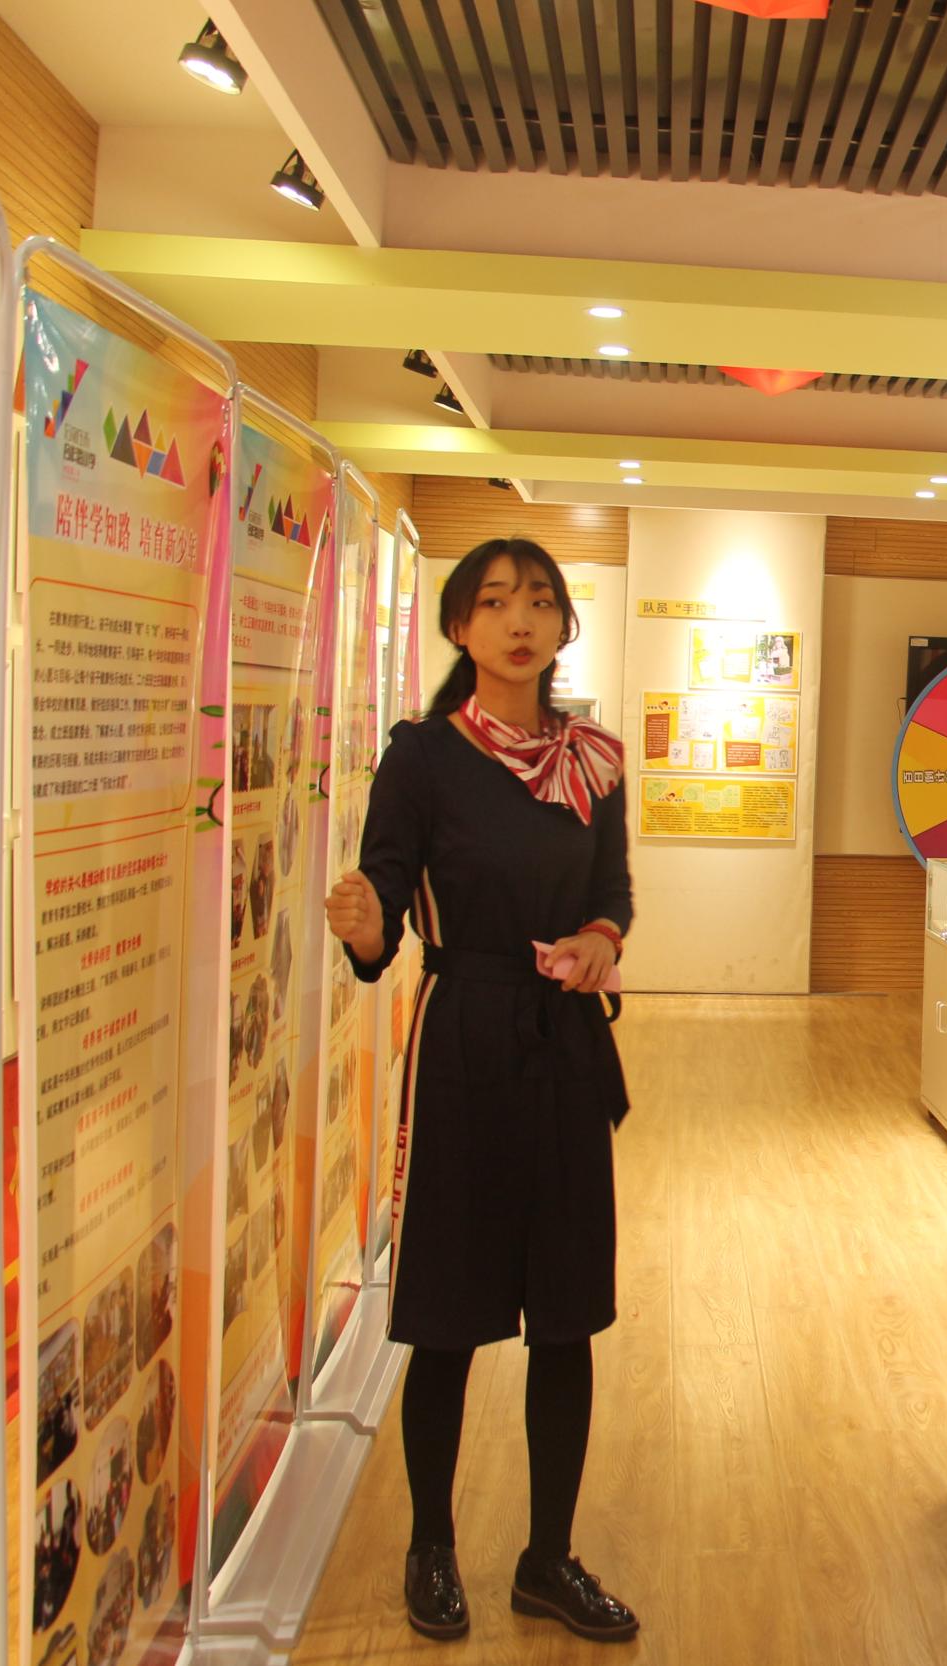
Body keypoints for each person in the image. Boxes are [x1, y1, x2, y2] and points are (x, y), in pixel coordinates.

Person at [324, 537, 638, 1646]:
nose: (519, 620)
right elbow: (386, 903)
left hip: (564, 1042)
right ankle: (431, 1547)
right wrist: (370, 928)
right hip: (463, 1035)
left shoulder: (592, 760)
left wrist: (602, 939)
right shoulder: (422, 756)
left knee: (568, 1315)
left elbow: (612, 892)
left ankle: (548, 1558)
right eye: (495, 601)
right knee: (448, 1314)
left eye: (540, 602)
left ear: (562, 629)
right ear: (460, 626)